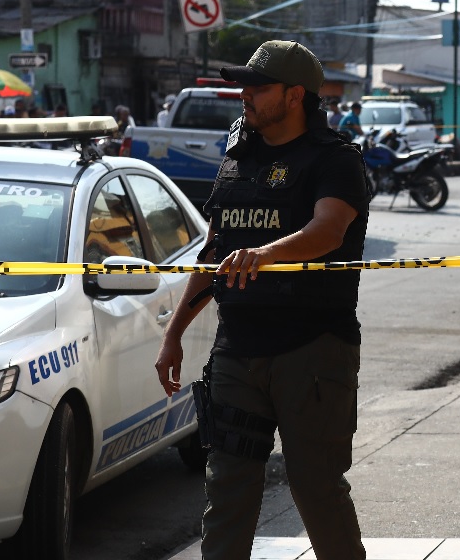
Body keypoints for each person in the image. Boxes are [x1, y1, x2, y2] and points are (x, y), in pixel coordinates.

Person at [154, 40, 369, 560]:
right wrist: (175, 333)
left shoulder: (334, 159)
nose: (244, 95)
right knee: (227, 489)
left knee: (315, 487)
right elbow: (214, 251)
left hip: (312, 351)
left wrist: (266, 253)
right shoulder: (238, 158)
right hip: (236, 351)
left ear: (295, 95)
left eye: (258, 86)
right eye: (243, 85)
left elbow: (329, 230)